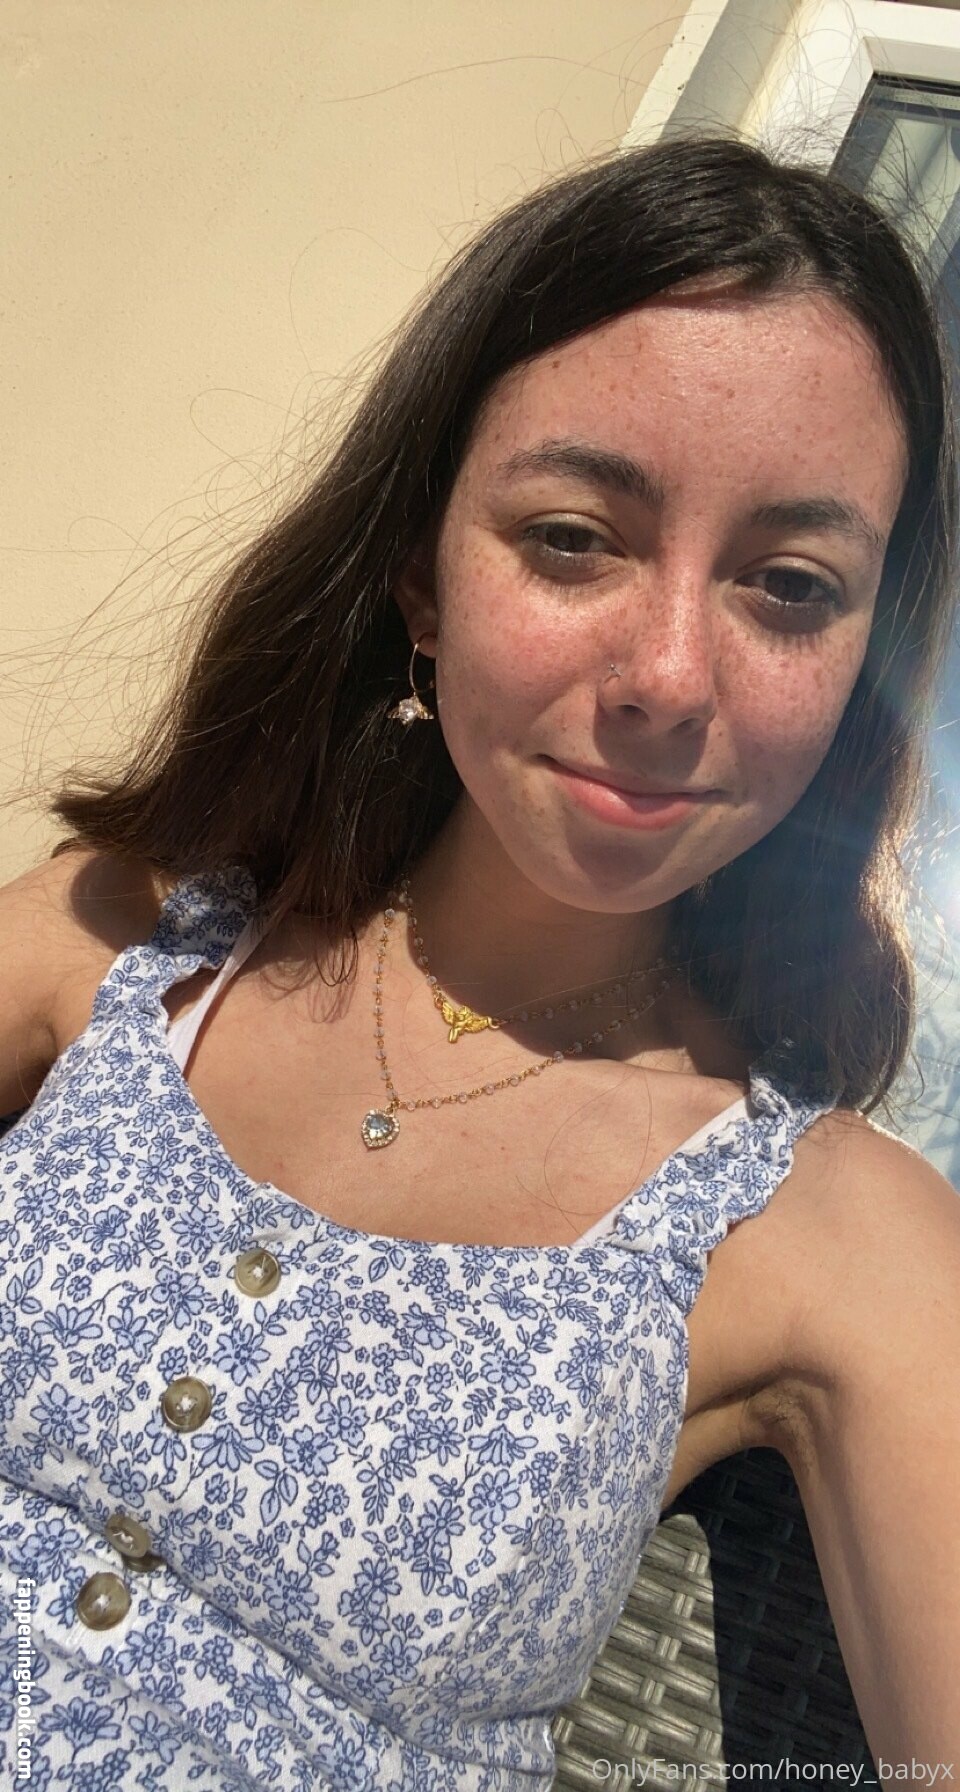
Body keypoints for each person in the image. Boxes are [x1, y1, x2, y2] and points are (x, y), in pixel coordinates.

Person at [0, 128, 958, 1790]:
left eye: (790, 586)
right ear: (419, 578)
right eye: (575, 537)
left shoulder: (833, 1237)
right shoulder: (130, 938)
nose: (670, 675)